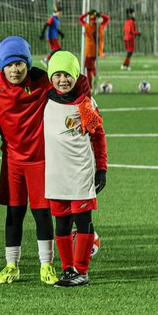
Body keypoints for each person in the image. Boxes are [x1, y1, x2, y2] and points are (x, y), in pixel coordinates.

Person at [0, 36, 57, 285]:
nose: (14, 70)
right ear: (1, 66)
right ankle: (12, 265)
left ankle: (47, 265)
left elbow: (73, 83)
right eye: (9, 65)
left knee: (42, 214)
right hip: (12, 162)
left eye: (20, 63)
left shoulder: (42, 82)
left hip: (40, 161)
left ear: (28, 63)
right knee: (14, 213)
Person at [43, 51, 107, 287]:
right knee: (61, 224)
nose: (63, 80)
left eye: (68, 75)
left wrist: (102, 168)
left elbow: (98, 136)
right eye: (57, 75)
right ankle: (67, 269)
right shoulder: (45, 99)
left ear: (76, 75)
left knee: (82, 221)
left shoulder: (86, 103)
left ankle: (82, 271)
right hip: (55, 175)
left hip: (80, 173)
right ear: (51, 77)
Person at [79, 10, 110, 84]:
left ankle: (91, 85)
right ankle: (96, 75)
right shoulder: (101, 27)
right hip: (97, 51)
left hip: (89, 51)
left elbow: (80, 19)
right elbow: (107, 18)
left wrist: (87, 13)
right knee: (91, 65)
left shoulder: (87, 26)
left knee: (88, 69)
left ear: (90, 18)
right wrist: (99, 14)